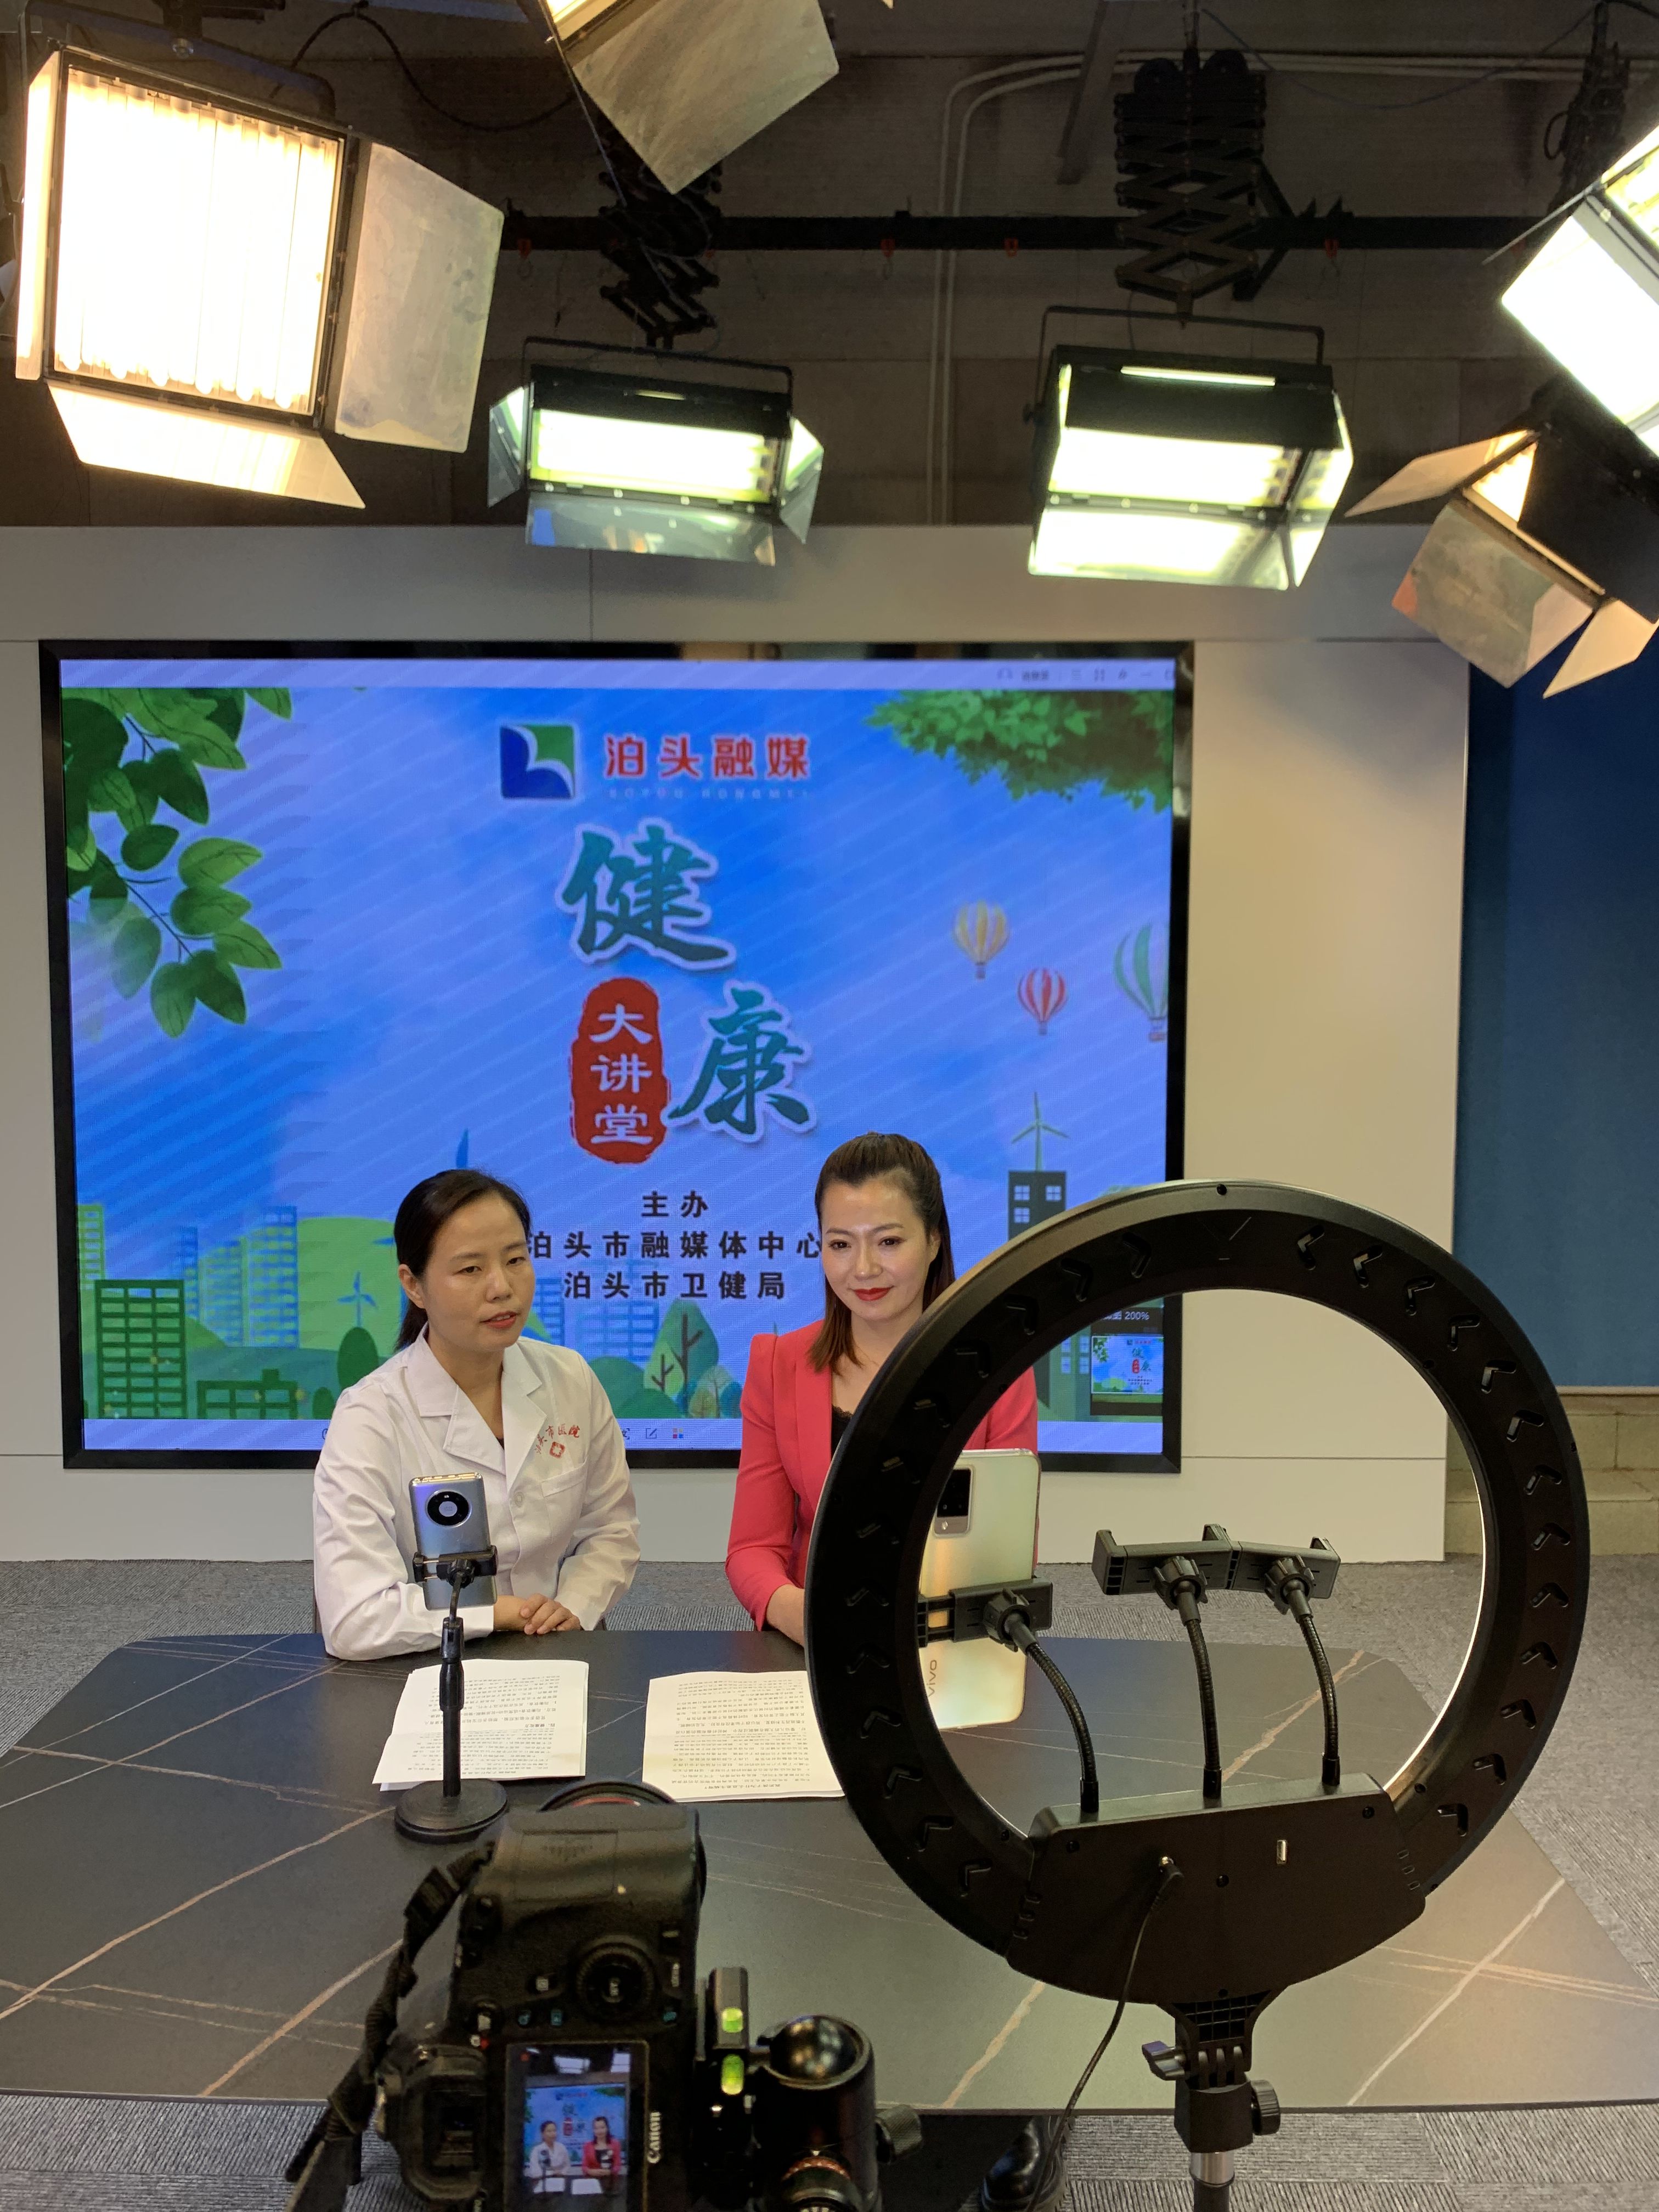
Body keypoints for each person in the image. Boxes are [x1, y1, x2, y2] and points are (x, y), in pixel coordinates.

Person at [313, 1168, 639, 1661]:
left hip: (558, 1645)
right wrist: (498, 1614)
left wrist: (572, 1606)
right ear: (414, 1285)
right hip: (422, 1661)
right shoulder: (371, 1416)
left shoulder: (569, 1378)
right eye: (470, 1269)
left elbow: (611, 1531)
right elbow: (355, 1617)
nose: (502, 1287)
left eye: (516, 1259)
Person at [726, 1131, 1037, 1640]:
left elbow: (1007, 1554)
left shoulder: (998, 1369)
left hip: (950, 1642)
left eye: (889, 1242)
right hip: (819, 1640)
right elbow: (752, 1549)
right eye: (840, 1244)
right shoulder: (778, 1364)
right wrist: (800, 1614)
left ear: (934, 1240)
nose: (864, 1269)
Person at [526, 2120, 572, 2193]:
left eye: (554, 2131)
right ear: (542, 2134)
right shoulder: (537, 2150)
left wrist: (562, 2173)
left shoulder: (561, 2147)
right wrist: (552, 2173)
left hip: (560, 2182)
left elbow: (567, 2165)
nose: (553, 2134)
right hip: (542, 2183)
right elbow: (535, 2172)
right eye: (549, 2131)